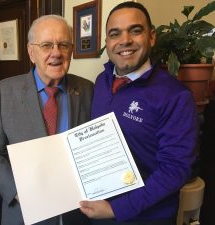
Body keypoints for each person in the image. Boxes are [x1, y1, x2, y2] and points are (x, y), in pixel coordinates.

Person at [79, 2, 198, 225]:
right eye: (115, 34)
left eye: (135, 30)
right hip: (98, 211)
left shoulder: (176, 97)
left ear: (151, 37)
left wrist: (116, 209)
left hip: (146, 217)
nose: (125, 40)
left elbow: (174, 170)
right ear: (107, 42)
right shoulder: (101, 82)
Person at [0, 15, 93, 225]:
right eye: (47, 45)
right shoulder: (6, 92)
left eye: (64, 45)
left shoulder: (87, 90)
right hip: (24, 214)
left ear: (72, 51)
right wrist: (17, 192)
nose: (56, 53)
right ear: (32, 52)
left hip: (76, 215)